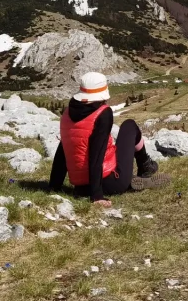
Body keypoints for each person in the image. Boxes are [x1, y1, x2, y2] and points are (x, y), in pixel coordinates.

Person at [49, 72, 168, 207]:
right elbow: (96, 155)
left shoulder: (67, 112)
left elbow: (64, 149)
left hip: (81, 188)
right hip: (109, 182)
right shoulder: (103, 113)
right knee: (129, 125)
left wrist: (54, 186)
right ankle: (145, 166)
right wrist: (97, 196)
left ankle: (132, 180)